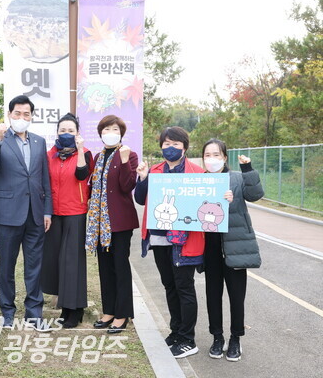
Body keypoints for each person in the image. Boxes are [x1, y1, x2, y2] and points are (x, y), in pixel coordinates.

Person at [0, 95, 53, 331]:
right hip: (8, 214)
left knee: (35, 266)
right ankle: (8, 313)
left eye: (27, 114)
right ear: (9, 115)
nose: (22, 118)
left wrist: (48, 211)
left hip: (35, 213)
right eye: (17, 114)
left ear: (31, 116)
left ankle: (34, 314)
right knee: (7, 266)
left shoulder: (39, 142)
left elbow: (44, 178)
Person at [134, 126, 205, 359]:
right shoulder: (154, 170)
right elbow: (140, 199)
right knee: (169, 285)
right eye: (166, 144)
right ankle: (176, 332)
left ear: (184, 147)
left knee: (184, 287)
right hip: (159, 237)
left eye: (175, 144)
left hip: (185, 239)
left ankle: (188, 338)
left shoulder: (198, 172)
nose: (170, 148)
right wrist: (142, 178)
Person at [201, 138, 263, 362]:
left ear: (225, 157)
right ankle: (217, 337)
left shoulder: (236, 177)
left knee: (237, 296)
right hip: (210, 248)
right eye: (208, 155)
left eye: (216, 155)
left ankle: (236, 338)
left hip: (235, 247)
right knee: (212, 295)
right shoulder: (199, 180)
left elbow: (256, 194)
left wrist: (248, 169)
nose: (212, 159)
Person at [85, 115, 139, 334]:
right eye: (106, 129)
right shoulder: (98, 157)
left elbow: (128, 186)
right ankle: (109, 311)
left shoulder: (129, 155)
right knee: (105, 268)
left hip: (120, 223)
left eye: (114, 129)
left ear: (121, 133)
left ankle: (122, 314)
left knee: (120, 267)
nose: (110, 132)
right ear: (101, 133)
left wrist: (125, 162)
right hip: (99, 223)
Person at [41, 113, 93, 329]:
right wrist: (46, 211)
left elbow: (82, 175)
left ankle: (76, 310)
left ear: (78, 133)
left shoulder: (86, 154)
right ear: (57, 132)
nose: (66, 134)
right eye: (63, 130)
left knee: (73, 262)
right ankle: (65, 308)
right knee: (56, 261)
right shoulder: (49, 155)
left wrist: (80, 149)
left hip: (75, 212)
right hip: (54, 213)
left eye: (71, 130)